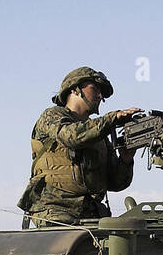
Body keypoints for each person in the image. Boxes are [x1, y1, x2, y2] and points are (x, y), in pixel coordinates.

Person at [18, 67, 141, 228]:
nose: (100, 96)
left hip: (92, 216)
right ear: (74, 89)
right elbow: (71, 136)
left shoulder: (100, 136)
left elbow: (115, 183)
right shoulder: (52, 116)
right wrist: (111, 118)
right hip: (56, 213)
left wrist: (125, 159)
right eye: (95, 89)